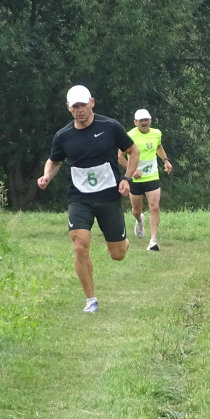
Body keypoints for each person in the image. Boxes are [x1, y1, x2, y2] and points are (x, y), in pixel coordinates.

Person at [37, 85, 139, 313]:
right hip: (79, 198)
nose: (80, 110)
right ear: (68, 108)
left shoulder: (110, 127)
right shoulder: (63, 136)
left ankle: (123, 242)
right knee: (80, 245)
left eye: (83, 104)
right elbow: (54, 161)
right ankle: (90, 300)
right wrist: (46, 176)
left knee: (118, 255)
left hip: (108, 197)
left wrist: (127, 179)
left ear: (92, 102)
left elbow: (134, 151)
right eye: (75, 106)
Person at [119, 108, 173, 251]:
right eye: (141, 120)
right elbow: (119, 156)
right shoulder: (129, 135)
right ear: (135, 122)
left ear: (150, 120)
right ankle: (139, 220)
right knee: (136, 210)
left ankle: (153, 241)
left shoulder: (156, 133)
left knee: (154, 207)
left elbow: (158, 147)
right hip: (135, 179)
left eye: (146, 120)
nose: (144, 123)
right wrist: (132, 171)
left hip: (152, 176)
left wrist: (166, 160)